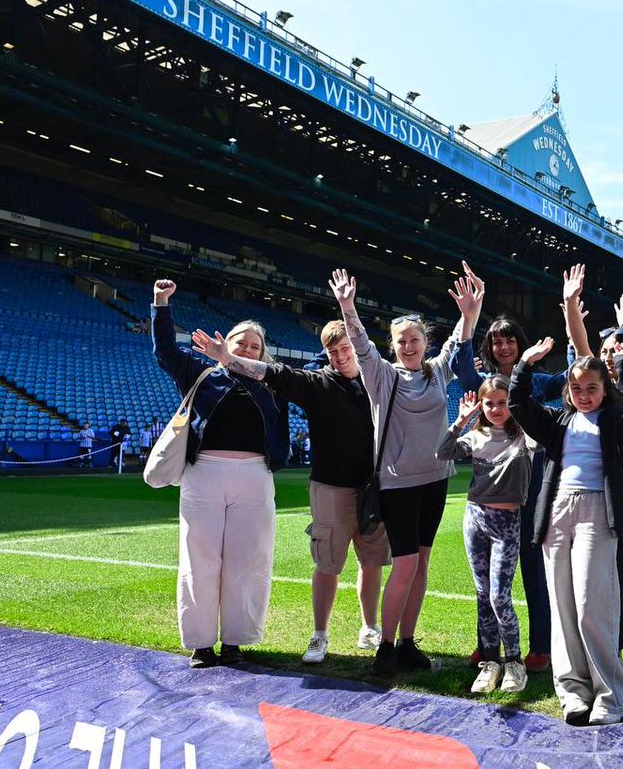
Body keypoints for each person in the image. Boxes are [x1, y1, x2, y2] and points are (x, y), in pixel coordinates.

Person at [190, 318, 391, 666]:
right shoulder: (316, 383)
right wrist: (228, 359)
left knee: (372, 562)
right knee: (327, 564)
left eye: (346, 349)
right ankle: (320, 634)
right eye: (333, 351)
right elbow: (274, 374)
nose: (341, 356)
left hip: (374, 487)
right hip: (330, 486)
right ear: (326, 355)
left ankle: (370, 627)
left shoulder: (380, 379)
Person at [330, 265, 482, 676]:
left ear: (424, 342)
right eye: (402, 341)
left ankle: (407, 642)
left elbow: (458, 341)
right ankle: (384, 646)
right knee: (406, 565)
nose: (409, 346)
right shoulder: (380, 375)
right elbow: (360, 345)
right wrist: (347, 305)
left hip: (434, 483)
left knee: (422, 565)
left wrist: (470, 312)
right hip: (398, 486)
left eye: (415, 339)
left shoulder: (436, 371)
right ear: (393, 345)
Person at [508, 333, 623, 727]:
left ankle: (611, 695)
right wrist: (525, 363)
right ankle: (573, 692)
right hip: (558, 512)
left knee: (594, 605)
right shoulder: (559, 421)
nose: (583, 394)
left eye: (592, 388)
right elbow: (517, 403)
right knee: (562, 607)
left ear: (605, 389)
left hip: (597, 510)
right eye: (576, 388)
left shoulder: (616, 420)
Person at [151, 279, 289, 669]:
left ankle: (235, 641)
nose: (246, 349)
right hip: (204, 475)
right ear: (223, 343)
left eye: (254, 346)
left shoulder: (273, 382)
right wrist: (161, 305)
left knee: (249, 561)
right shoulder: (201, 373)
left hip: (254, 476)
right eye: (239, 343)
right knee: (200, 560)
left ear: (264, 353)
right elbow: (164, 352)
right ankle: (200, 643)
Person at [453, 303, 567, 674]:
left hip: (532, 484)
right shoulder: (481, 382)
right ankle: (486, 645)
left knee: (534, 568)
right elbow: (460, 364)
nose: (504, 347)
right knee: (485, 576)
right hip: (490, 493)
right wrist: (468, 319)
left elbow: (571, 377)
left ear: (521, 344)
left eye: (510, 340)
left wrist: (574, 328)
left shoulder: (536, 380)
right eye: (497, 342)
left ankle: (540, 647)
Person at [437, 380, 535, 694]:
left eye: (502, 402)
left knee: (499, 597)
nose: (496, 409)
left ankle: (515, 663)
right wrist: (461, 419)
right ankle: (491, 662)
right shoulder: (476, 437)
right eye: (489, 403)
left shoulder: (524, 437)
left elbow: (547, 438)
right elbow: (443, 452)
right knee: (482, 596)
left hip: (507, 524)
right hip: (475, 520)